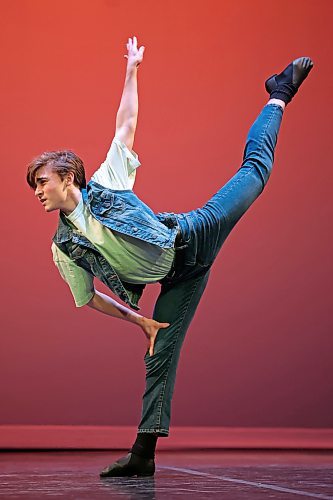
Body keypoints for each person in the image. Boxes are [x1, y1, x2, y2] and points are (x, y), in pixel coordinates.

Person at [26, 36, 313, 477]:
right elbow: (89, 299)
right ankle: (143, 455)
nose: (38, 192)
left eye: (42, 182)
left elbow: (126, 122)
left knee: (255, 175)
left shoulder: (107, 182)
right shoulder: (62, 247)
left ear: (68, 178)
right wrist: (138, 319)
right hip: (179, 280)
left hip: (191, 236)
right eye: (35, 187)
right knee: (160, 352)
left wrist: (132, 70)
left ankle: (278, 95)